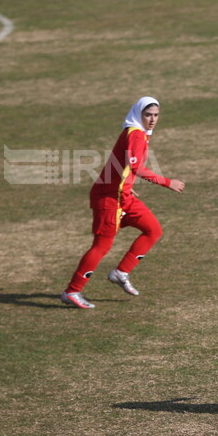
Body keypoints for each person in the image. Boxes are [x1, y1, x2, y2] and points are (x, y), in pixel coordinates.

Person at [61, 96, 185, 309]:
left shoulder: (140, 134)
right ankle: (72, 291)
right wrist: (167, 182)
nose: (153, 119)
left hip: (123, 195)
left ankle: (120, 273)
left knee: (153, 230)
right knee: (101, 246)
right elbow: (135, 167)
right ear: (139, 114)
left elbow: (123, 166)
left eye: (156, 115)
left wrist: (126, 184)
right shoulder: (135, 134)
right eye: (148, 115)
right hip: (109, 198)